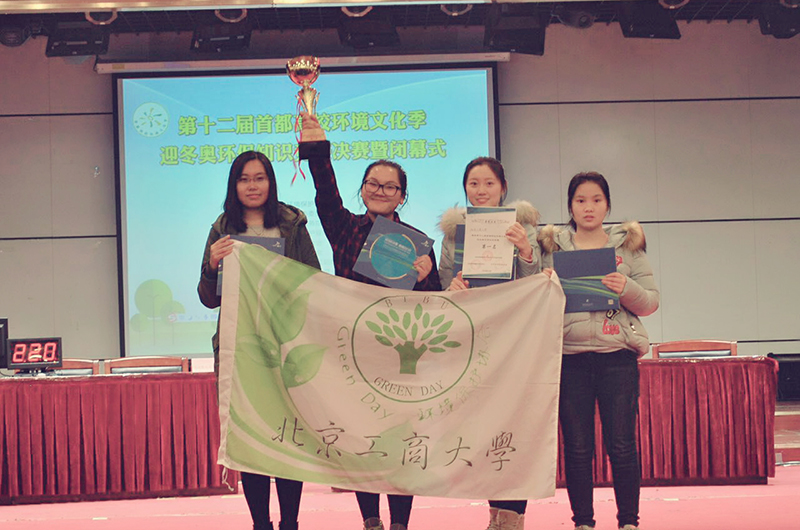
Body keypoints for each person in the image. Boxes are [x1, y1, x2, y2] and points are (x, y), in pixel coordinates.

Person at [298, 112, 441, 530]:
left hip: (400, 356)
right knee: (361, 438)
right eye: (372, 184)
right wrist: (316, 147)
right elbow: (325, 193)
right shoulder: (344, 228)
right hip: (353, 351)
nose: (380, 190)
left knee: (401, 439)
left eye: (389, 186)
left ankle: (400, 523)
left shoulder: (417, 243)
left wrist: (425, 277)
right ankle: (371, 520)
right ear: (361, 190)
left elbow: (436, 306)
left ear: (402, 196)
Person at [198, 150, 320, 530]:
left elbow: (314, 280)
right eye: (244, 179)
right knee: (250, 440)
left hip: (285, 345)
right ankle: (260, 524)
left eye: (259, 178)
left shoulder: (292, 226)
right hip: (241, 348)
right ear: (234, 186)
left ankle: (290, 523)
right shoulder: (222, 229)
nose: (252, 186)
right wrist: (212, 265)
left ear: (271, 182)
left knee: (288, 437)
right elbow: (208, 298)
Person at [539, 172, 659, 530]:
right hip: (570, 358)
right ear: (570, 206)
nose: (588, 207)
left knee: (622, 445)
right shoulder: (553, 250)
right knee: (577, 449)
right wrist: (545, 287)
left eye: (596, 200)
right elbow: (535, 303)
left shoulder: (628, 248)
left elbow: (651, 303)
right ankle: (583, 522)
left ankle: (629, 522)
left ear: (607, 205)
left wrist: (627, 287)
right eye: (580, 200)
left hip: (617, 357)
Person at [438, 156, 540, 530]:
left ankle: (513, 514)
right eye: (474, 184)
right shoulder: (454, 235)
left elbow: (539, 282)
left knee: (515, 425)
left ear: (503, 188)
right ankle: (495, 511)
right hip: (475, 343)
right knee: (483, 428)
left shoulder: (525, 229)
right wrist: (452, 288)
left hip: (515, 341)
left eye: (489, 183)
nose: (481, 191)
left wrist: (525, 251)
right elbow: (444, 285)